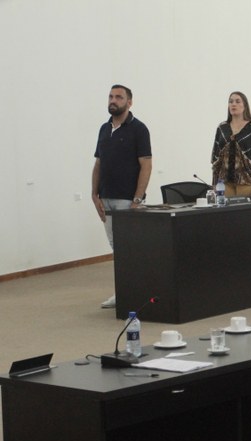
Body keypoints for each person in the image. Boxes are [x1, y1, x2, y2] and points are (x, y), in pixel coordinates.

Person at [91, 84, 152, 309]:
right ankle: (123, 292)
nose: (113, 100)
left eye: (119, 97)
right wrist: (94, 194)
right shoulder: (104, 129)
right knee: (117, 248)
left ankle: (135, 292)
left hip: (127, 199)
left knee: (130, 249)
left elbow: (146, 165)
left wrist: (137, 199)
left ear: (129, 102)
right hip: (106, 198)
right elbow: (99, 163)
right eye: (111, 96)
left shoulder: (139, 129)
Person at [211, 91, 251, 196]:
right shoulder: (222, 128)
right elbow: (215, 159)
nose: (233, 104)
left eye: (237, 101)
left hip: (247, 182)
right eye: (231, 101)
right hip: (224, 183)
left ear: (244, 106)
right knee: (226, 207)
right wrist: (214, 183)